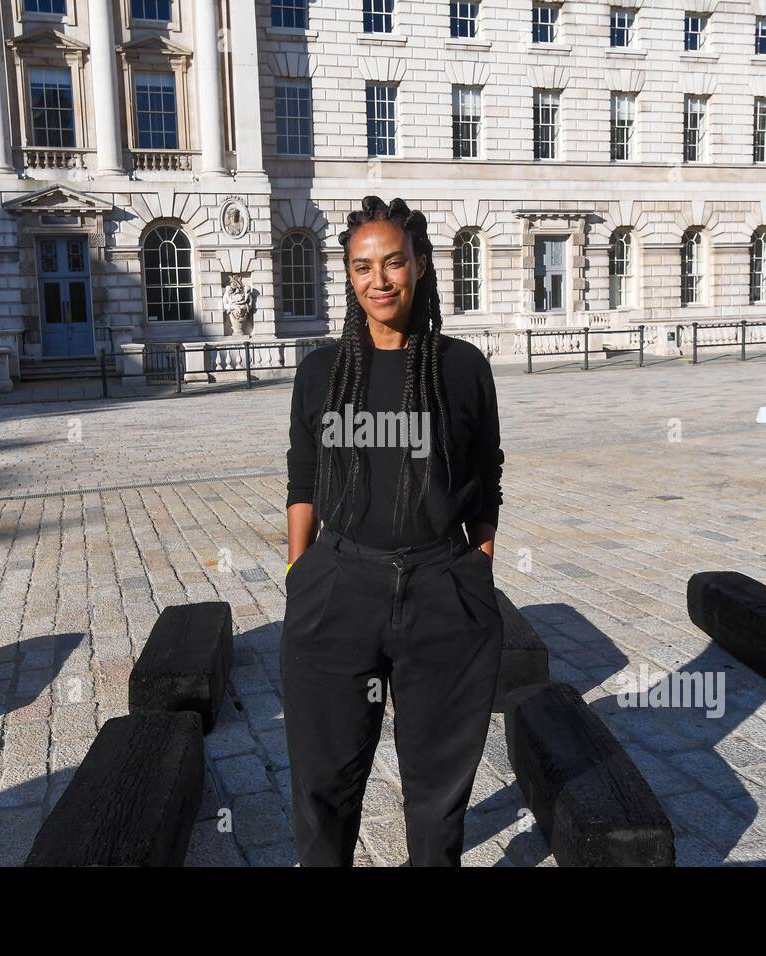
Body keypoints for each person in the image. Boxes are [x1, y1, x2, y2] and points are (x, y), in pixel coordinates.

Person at [281, 195, 506, 866]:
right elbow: (302, 477)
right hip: (338, 590)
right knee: (324, 787)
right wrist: (300, 573)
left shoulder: (463, 368)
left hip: (442, 590)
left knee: (437, 794)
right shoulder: (321, 371)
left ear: (420, 266)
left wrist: (476, 567)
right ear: (348, 277)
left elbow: (486, 474)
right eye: (361, 267)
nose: (378, 280)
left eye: (393, 263)